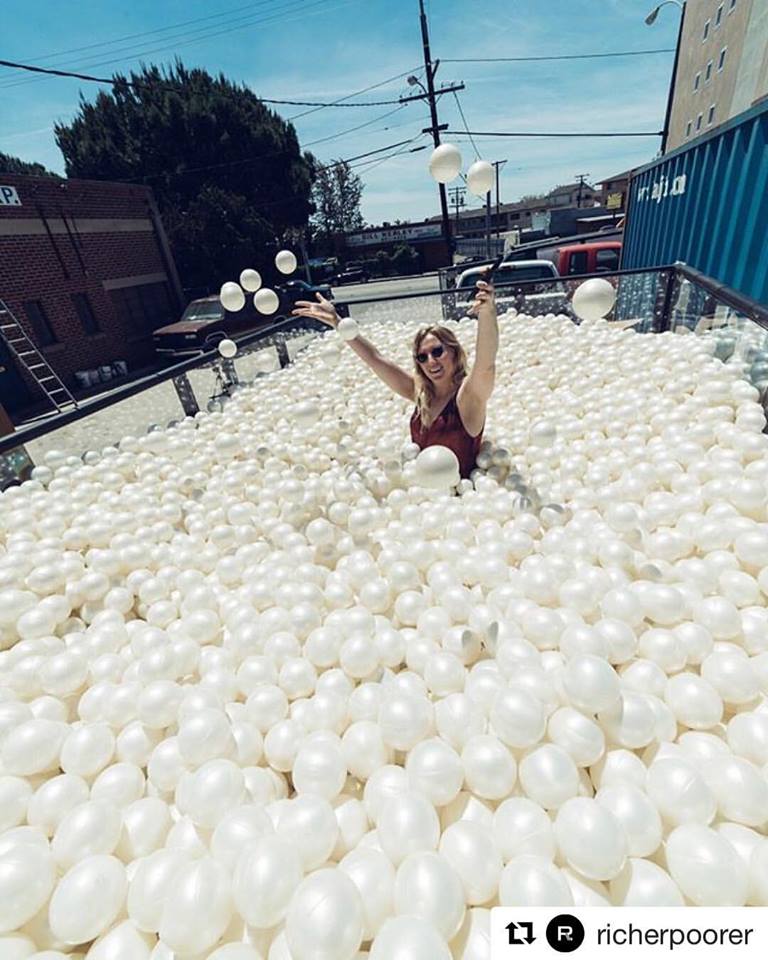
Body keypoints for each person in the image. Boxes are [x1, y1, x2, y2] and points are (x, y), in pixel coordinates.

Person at [292, 280, 498, 478]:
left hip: (461, 503)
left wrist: (487, 313)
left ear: (454, 352)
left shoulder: (469, 397)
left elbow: (485, 363)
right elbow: (376, 360)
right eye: (422, 357)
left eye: (437, 351)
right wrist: (338, 322)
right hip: (421, 498)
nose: (431, 361)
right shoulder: (421, 393)